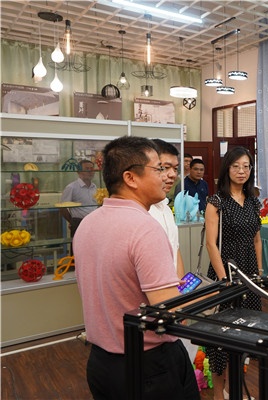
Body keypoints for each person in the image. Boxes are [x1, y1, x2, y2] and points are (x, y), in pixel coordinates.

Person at [74, 136, 199, 400]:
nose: (166, 176)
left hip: (102, 364)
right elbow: (169, 311)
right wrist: (204, 296)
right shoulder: (144, 228)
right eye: (158, 168)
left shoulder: (88, 223)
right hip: (149, 365)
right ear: (131, 178)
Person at [204, 147, 262, 400]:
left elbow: (257, 240)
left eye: (246, 166)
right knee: (221, 338)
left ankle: (234, 390)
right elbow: (211, 244)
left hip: (249, 273)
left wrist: (259, 272)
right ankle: (219, 394)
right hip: (225, 272)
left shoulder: (253, 201)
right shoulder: (216, 202)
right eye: (236, 166)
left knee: (245, 334)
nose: (242, 171)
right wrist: (224, 280)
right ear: (227, 168)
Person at [149, 139, 185, 279]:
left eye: (175, 169)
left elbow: (175, 249)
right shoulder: (141, 212)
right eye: (164, 168)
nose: (173, 175)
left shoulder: (166, 208)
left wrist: (181, 289)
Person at [59, 159, 97, 239]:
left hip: (95, 223)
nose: (90, 171)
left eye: (92, 169)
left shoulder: (94, 187)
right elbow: (62, 208)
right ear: (79, 172)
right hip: (79, 223)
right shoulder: (71, 187)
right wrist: (72, 221)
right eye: (87, 169)